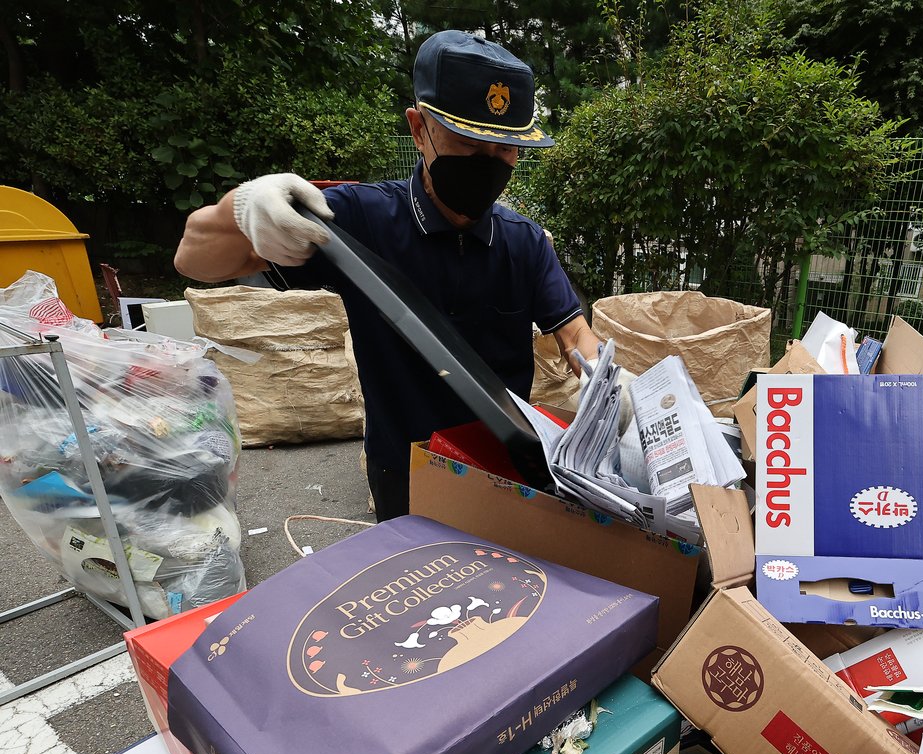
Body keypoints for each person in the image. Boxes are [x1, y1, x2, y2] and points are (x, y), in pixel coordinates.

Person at [174, 31, 605, 520]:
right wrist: (245, 206)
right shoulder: (361, 222)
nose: (487, 165)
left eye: (503, 150)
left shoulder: (522, 242)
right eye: (468, 145)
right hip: (406, 472)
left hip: (507, 470)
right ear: (419, 129)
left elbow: (574, 335)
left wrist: (610, 386)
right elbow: (194, 259)